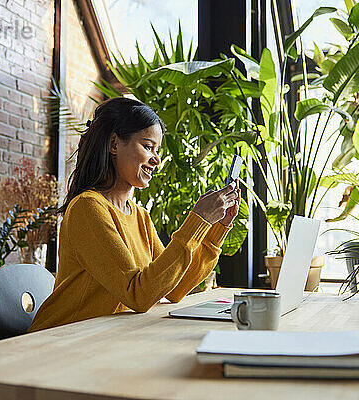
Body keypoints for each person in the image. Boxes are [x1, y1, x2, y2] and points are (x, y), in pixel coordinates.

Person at [29, 97, 241, 332]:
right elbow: (138, 294)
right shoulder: (88, 208)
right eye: (148, 146)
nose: (157, 159)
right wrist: (197, 220)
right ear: (114, 144)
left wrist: (215, 229)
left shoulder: (140, 216)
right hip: (58, 342)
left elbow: (176, 289)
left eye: (157, 150)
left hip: (103, 339)